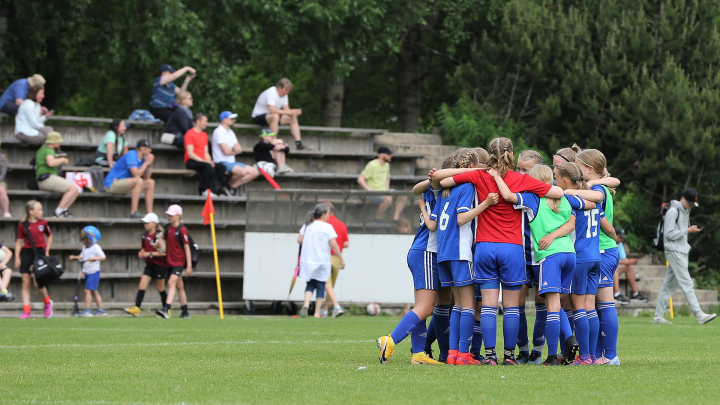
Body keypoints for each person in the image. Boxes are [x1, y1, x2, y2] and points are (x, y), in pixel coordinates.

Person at [433, 137, 564, 365]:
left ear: (490, 154)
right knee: (512, 307)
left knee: (488, 307)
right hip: (511, 248)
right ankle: (509, 356)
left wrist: (479, 169)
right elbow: (557, 192)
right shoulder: (520, 179)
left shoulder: (478, 175)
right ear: (511, 154)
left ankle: (490, 356)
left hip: (484, 248)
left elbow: (441, 181)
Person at [492, 164, 578, 365]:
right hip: (569, 254)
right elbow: (572, 224)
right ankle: (567, 342)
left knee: (552, 307)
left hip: (550, 256)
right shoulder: (563, 198)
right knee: (557, 305)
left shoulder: (533, 199)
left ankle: (551, 356)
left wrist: (496, 176)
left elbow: (507, 196)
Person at [423, 149, 499, 365]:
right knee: (467, 305)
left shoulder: (446, 189)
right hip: (460, 251)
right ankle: (463, 354)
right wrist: (486, 204)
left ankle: (452, 353)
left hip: (444, 252)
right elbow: (461, 219)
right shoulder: (466, 186)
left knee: (457, 306)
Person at [566, 148, 622, 365]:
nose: (577, 173)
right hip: (603, 249)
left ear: (589, 169)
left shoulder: (596, 189)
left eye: (579, 168)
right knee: (596, 306)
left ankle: (610, 355)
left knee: (605, 304)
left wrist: (567, 191)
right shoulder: (600, 185)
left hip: (601, 251)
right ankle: (598, 354)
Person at [654, 189, 717, 325]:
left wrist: (687, 231)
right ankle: (699, 315)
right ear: (682, 199)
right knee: (687, 283)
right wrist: (686, 230)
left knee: (669, 285)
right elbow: (669, 234)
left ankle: (658, 316)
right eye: (689, 202)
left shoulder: (685, 211)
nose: (690, 205)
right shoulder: (673, 211)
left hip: (681, 250)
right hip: (673, 250)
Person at [512, 149, 544, 364]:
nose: (520, 174)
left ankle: (538, 351)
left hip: (542, 256)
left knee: (543, 303)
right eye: (518, 169)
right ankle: (523, 350)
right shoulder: (513, 191)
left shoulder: (547, 194)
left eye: (526, 170)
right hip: (519, 256)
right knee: (517, 304)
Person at [297, 204, 345, 318]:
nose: (329, 216)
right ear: (323, 214)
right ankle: (317, 313)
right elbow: (333, 244)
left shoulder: (307, 225)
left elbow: (299, 240)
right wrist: (341, 258)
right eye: (328, 213)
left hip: (307, 260)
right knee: (320, 285)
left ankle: (306, 303)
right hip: (322, 261)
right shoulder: (327, 227)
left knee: (310, 284)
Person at [14, 201, 54, 319]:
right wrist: (17, 257)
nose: (41, 212)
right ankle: (26, 310)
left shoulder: (44, 223)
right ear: (31, 212)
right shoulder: (23, 225)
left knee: (38, 284)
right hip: (27, 253)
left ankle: (47, 303)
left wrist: (47, 250)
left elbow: (50, 235)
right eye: (39, 210)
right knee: (25, 283)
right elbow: (18, 241)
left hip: (40, 253)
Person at [125, 213, 167, 317]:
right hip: (150, 264)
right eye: (145, 223)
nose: (145, 225)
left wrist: (149, 254)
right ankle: (137, 308)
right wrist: (142, 252)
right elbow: (144, 248)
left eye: (147, 223)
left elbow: (164, 252)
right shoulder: (144, 235)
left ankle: (167, 309)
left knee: (160, 287)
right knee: (142, 285)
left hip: (160, 265)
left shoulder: (160, 236)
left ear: (154, 223)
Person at [251, 78, 310, 150]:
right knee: (275, 116)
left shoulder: (284, 95)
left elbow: (287, 110)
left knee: (292, 118)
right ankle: (273, 141)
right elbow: (272, 110)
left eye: (288, 90)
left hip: (273, 117)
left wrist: (294, 112)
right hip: (258, 116)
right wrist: (289, 112)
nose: (287, 92)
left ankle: (298, 143)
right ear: (279, 88)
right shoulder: (271, 92)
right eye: (286, 90)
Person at [104, 139, 156, 218]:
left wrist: (148, 164)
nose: (150, 150)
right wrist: (146, 163)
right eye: (148, 148)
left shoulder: (143, 159)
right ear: (142, 148)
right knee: (138, 181)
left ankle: (150, 215)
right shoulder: (131, 154)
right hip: (112, 183)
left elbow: (147, 177)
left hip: (125, 184)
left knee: (150, 183)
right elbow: (136, 174)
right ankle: (133, 212)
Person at [156, 205, 191, 319]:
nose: (169, 217)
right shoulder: (167, 229)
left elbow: (187, 247)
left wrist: (189, 265)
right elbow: (163, 244)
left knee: (171, 283)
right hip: (170, 261)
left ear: (178, 215)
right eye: (168, 215)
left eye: (172, 215)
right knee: (179, 286)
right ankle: (185, 311)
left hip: (179, 261)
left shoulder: (182, 229)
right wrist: (158, 244)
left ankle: (166, 309)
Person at [212, 111, 259, 194]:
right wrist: (234, 150)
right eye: (232, 119)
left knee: (254, 172)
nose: (234, 120)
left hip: (232, 162)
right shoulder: (218, 131)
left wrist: (231, 149)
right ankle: (228, 186)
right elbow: (226, 151)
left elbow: (239, 149)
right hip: (221, 162)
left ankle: (230, 186)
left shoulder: (231, 132)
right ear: (225, 120)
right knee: (242, 172)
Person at [357, 147, 408, 223]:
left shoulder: (387, 165)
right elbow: (360, 179)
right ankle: (378, 217)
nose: (390, 156)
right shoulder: (372, 165)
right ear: (381, 155)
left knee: (403, 196)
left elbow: (387, 178)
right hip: (373, 193)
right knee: (388, 199)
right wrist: (370, 190)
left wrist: (387, 190)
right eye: (388, 154)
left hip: (383, 192)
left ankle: (395, 219)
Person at [36, 132, 78, 218]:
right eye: (58, 142)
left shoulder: (42, 149)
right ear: (54, 142)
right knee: (73, 189)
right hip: (46, 178)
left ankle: (64, 210)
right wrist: (62, 159)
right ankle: (58, 211)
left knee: (76, 190)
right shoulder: (49, 150)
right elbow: (50, 163)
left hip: (44, 179)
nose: (60, 144)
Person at [184, 113, 226, 197]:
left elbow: (206, 152)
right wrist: (206, 162)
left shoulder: (204, 135)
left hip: (203, 161)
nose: (206, 123)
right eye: (205, 121)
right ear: (198, 121)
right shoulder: (189, 134)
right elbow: (190, 154)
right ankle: (203, 190)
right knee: (207, 166)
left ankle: (216, 190)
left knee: (221, 167)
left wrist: (210, 161)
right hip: (191, 161)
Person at [69, 226, 107, 317]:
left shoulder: (96, 247)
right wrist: (74, 257)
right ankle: (101, 309)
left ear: (89, 239)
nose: (82, 241)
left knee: (87, 291)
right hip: (87, 272)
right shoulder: (85, 248)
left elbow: (103, 257)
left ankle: (88, 310)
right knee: (94, 291)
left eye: (84, 239)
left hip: (93, 272)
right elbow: (82, 257)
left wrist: (93, 258)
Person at [319, 202, 348, 318]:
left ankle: (336, 306)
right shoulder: (341, 225)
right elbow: (346, 243)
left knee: (327, 285)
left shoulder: (323, 224)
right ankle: (325, 310)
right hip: (336, 258)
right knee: (330, 286)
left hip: (325, 256)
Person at [612, 227, 648, 304]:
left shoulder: (619, 243)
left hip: (615, 268)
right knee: (615, 267)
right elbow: (611, 260)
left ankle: (635, 294)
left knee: (628, 266)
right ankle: (617, 294)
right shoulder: (609, 242)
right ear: (615, 235)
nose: (622, 239)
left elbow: (623, 259)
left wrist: (630, 261)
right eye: (620, 237)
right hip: (605, 269)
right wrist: (627, 262)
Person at [0, 141, 12, 217]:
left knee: (1, 189)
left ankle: (6, 212)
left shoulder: (2, 157)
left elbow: (3, 172)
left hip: (0, 180)